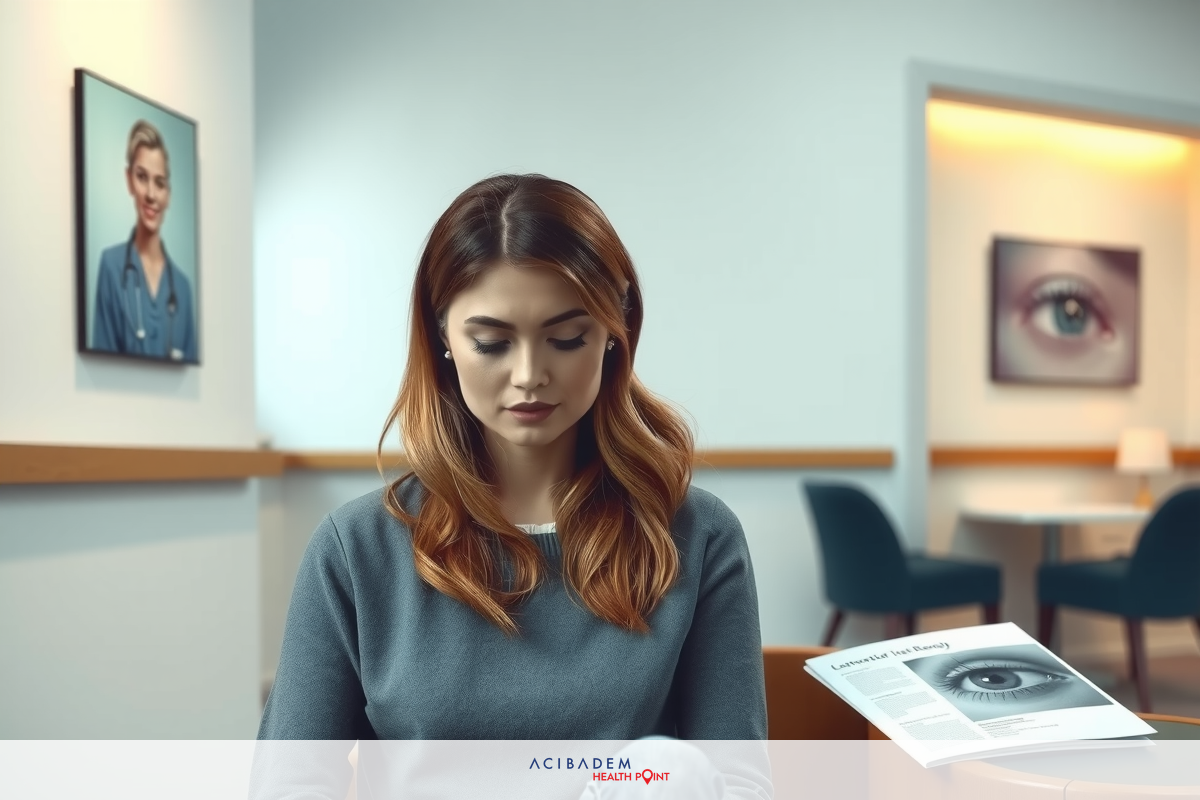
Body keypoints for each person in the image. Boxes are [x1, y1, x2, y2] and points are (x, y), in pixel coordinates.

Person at [255, 174, 768, 798]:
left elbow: (740, 784)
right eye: (492, 342)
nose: (530, 375)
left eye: (567, 338)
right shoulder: (354, 550)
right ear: (442, 335)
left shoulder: (698, 536)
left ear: (615, 331)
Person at [92, 119, 197, 362]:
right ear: (129, 180)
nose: (151, 194)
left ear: (168, 195)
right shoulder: (111, 266)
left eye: (159, 183)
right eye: (142, 177)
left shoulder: (182, 287)